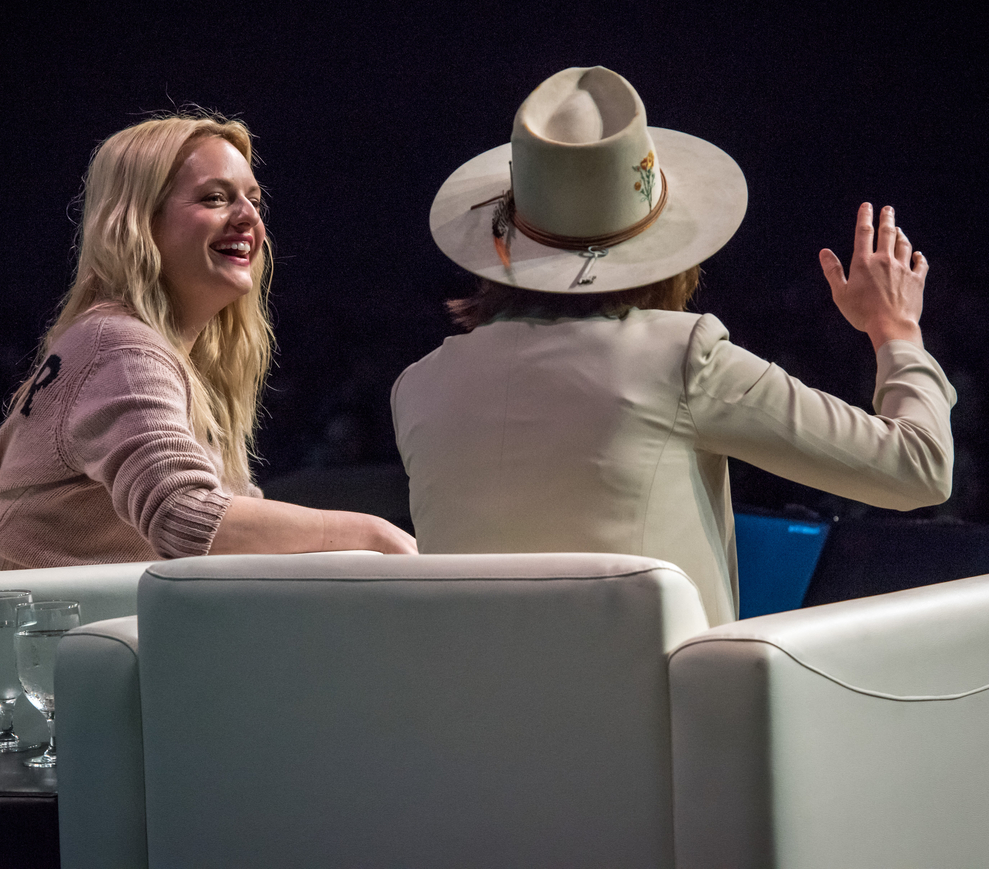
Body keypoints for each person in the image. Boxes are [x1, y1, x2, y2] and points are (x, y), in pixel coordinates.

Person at [391, 66, 954, 626]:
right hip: (647, 714)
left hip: (465, 714)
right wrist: (895, 330)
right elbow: (917, 468)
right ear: (660, 250)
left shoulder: (417, 386)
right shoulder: (683, 356)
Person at [0, 112, 416, 569]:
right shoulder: (121, 347)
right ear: (139, 222)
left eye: (254, 200)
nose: (249, 218)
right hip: (65, 632)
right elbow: (185, 516)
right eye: (215, 198)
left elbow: (0, 492)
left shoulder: (116, 341)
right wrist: (370, 531)